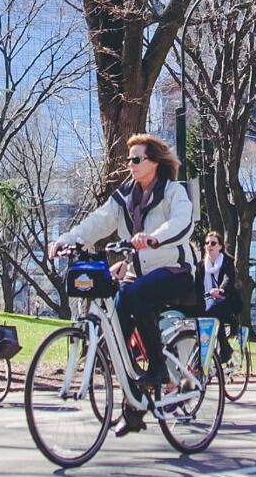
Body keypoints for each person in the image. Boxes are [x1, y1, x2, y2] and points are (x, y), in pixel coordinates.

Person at [51, 133, 195, 437]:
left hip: (175, 271)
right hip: (139, 273)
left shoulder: (173, 192)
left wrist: (154, 237)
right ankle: (134, 406)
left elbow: (183, 222)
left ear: (154, 162)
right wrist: (67, 239)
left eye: (137, 159)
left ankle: (157, 368)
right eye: (129, 159)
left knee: (136, 295)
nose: (130, 164)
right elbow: (98, 221)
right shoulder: (124, 198)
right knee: (116, 323)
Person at [197, 231, 241, 365]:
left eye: (213, 243)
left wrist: (220, 289)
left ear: (220, 246)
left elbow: (229, 278)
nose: (209, 246)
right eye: (207, 243)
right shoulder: (201, 265)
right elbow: (196, 285)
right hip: (207, 301)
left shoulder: (227, 262)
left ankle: (225, 349)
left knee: (211, 312)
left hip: (226, 301)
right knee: (198, 314)